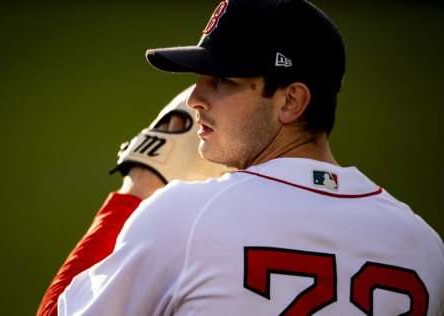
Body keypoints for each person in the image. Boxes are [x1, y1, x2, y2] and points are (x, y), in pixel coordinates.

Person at [38, 0, 444, 315]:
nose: (195, 98)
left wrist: (141, 183)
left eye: (223, 80)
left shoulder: (186, 216)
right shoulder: (423, 245)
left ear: (291, 101)